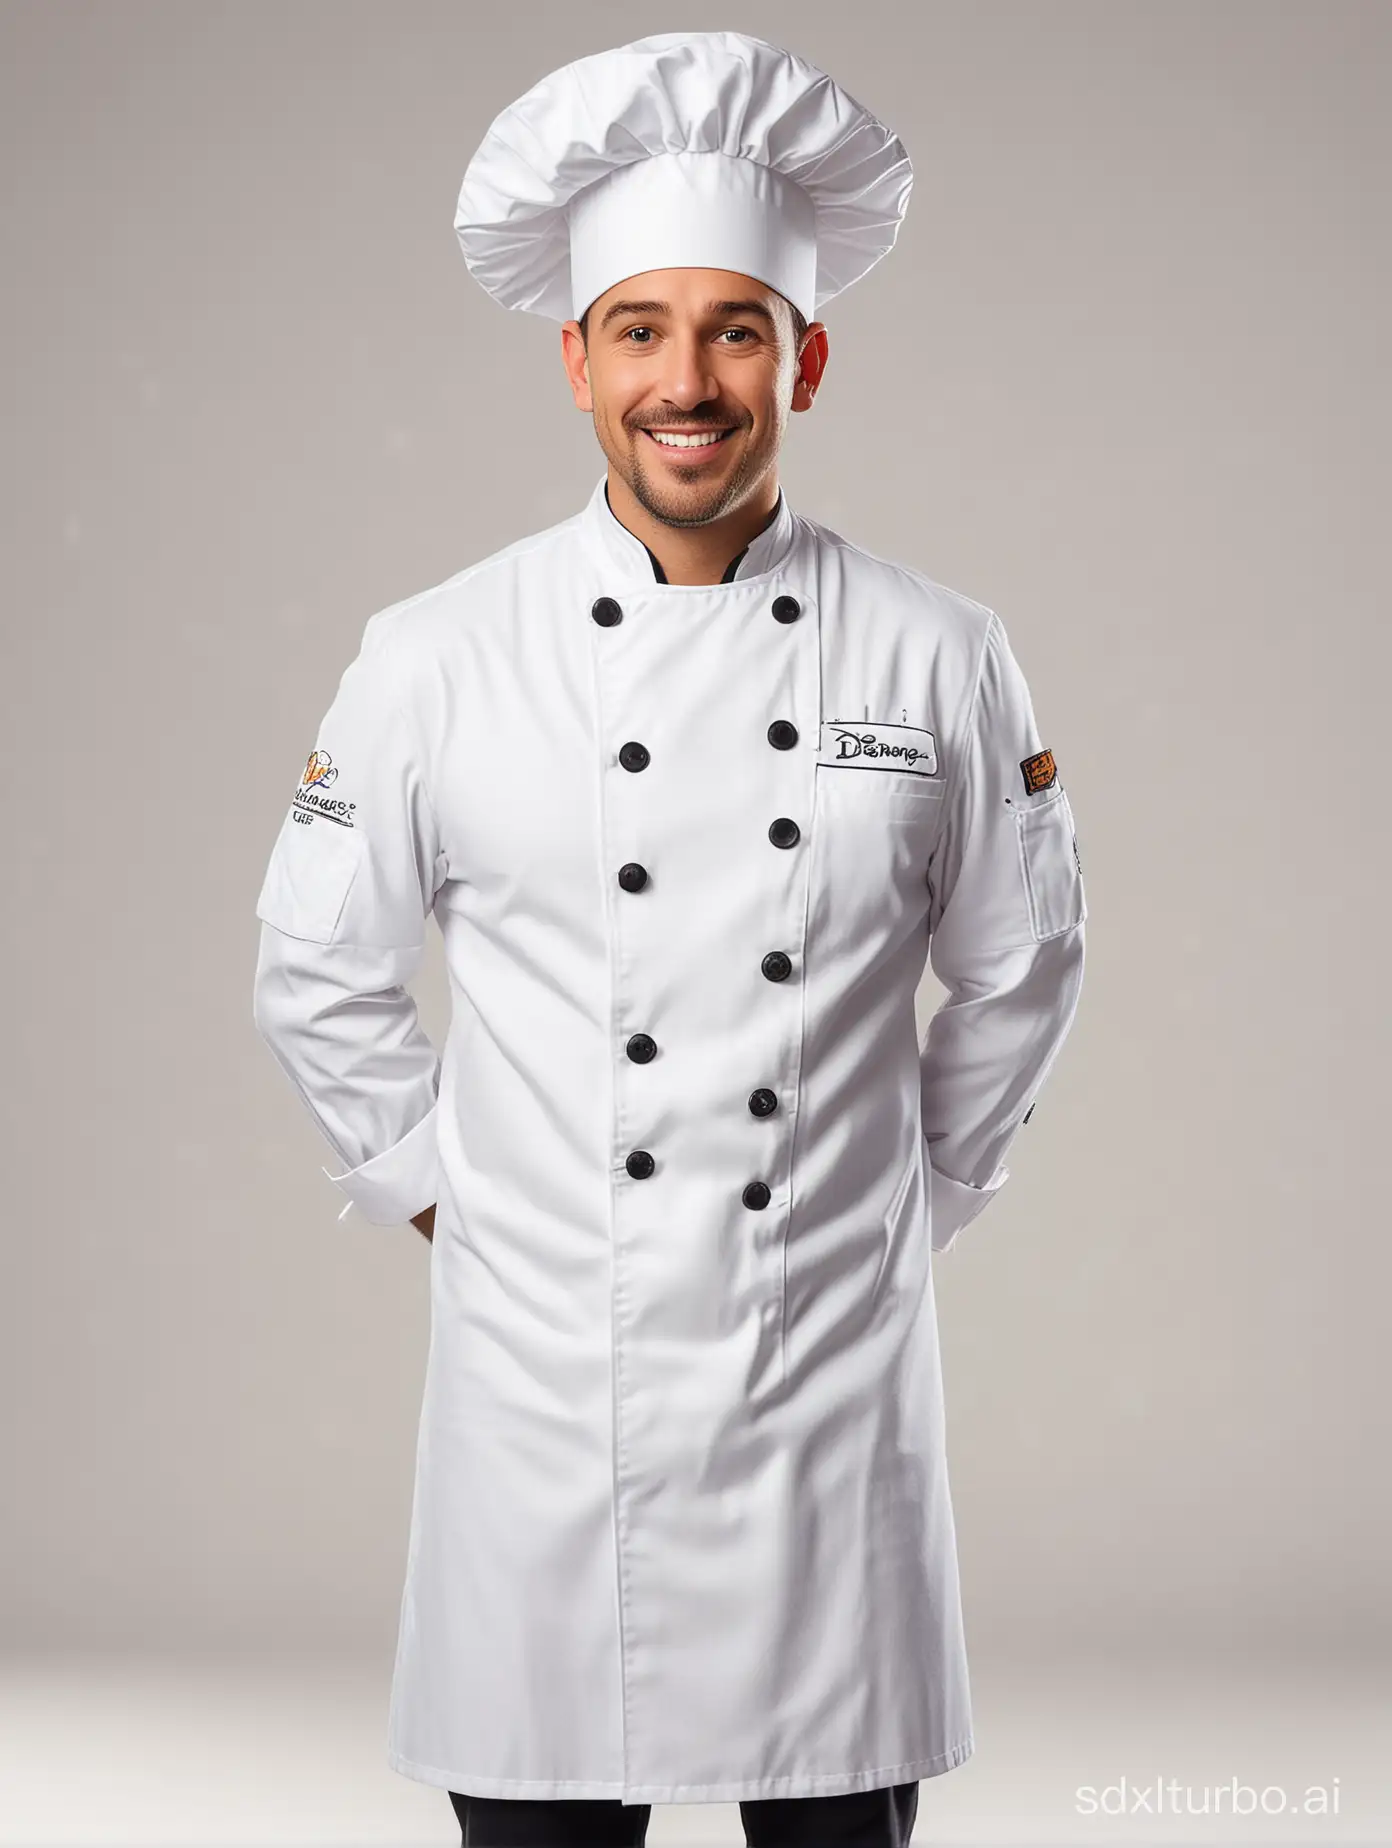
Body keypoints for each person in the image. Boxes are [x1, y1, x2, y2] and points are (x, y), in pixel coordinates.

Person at [252, 30, 1087, 1848]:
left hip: (831, 1394)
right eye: (641, 330)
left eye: (733, 330)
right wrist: (440, 1184)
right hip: (550, 1402)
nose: (687, 381)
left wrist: (917, 1187)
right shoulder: (435, 654)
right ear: (574, 362)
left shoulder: (941, 652)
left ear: (807, 357)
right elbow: (313, 965)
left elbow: (1025, 960)